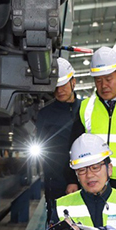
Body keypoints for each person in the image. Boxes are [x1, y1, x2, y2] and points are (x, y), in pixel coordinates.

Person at [65, 47, 116, 198]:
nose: (104, 85)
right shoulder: (86, 108)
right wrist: (72, 180)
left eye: (109, 79)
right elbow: (74, 147)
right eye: (98, 80)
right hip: (94, 184)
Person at [37, 57, 81, 220]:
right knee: (57, 222)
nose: (59, 90)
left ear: (73, 82)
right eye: (55, 86)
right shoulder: (45, 114)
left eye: (63, 84)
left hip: (84, 177)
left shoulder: (85, 110)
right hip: (55, 178)